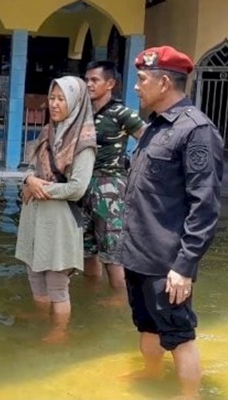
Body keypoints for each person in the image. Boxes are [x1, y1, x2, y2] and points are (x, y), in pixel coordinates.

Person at [119, 46, 223, 399]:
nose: (136, 87)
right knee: (147, 325)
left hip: (167, 261)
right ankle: (151, 375)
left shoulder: (196, 131)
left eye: (142, 80)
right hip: (138, 252)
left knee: (179, 336)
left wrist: (185, 265)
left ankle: (188, 394)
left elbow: (204, 205)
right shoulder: (154, 128)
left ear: (164, 83)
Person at [15, 75, 97, 344]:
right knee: (34, 271)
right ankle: (40, 317)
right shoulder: (46, 132)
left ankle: (60, 332)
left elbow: (77, 188)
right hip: (35, 215)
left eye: (62, 98)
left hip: (60, 219)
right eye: (52, 97)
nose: (55, 104)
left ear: (75, 102)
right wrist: (29, 180)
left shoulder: (83, 142)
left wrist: (42, 189)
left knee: (57, 281)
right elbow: (29, 168)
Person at [82, 60, 146, 306]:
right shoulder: (83, 112)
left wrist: (137, 172)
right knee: (87, 249)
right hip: (83, 186)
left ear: (110, 83)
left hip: (110, 187)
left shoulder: (122, 113)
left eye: (94, 80)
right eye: (87, 79)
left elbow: (148, 139)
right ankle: (91, 297)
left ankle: (119, 302)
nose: (89, 84)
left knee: (112, 252)